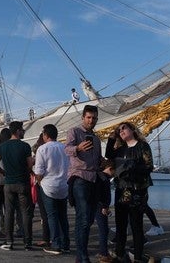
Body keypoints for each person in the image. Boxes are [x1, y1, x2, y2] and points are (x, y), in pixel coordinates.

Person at [106, 122, 154, 263]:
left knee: (136, 224)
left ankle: (138, 256)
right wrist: (112, 137)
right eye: (119, 130)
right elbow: (109, 154)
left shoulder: (142, 146)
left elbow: (149, 166)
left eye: (123, 128)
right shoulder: (121, 149)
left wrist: (132, 167)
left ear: (132, 129)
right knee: (120, 223)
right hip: (122, 189)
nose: (121, 131)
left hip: (137, 190)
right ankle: (119, 253)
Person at [65, 105, 105, 263]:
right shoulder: (74, 131)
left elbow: (97, 160)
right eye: (89, 117)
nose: (91, 120)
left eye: (94, 118)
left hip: (94, 178)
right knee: (83, 217)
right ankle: (83, 256)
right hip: (80, 177)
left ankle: (80, 256)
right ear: (83, 117)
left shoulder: (96, 138)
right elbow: (66, 149)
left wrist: (103, 162)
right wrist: (77, 148)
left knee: (88, 219)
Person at [0, 121, 34, 251]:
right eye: (22, 130)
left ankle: (9, 242)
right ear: (17, 131)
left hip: (9, 184)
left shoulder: (3, 146)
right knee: (25, 213)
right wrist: (25, 171)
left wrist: (4, 172)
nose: (23, 132)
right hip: (22, 183)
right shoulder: (25, 146)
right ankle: (28, 242)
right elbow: (29, 165)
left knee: (9, 212)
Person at [34, 124, 70, 255]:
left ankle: (56, 244)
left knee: (51, 216)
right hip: (64, 186)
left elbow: (39, 171)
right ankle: (66, 243)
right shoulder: (65, 147)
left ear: (45, 135)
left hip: (48, 186)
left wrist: (40, 181)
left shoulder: (42, 149)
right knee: (63, 216)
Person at [31, 133, 50, 248]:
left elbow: (38, 169)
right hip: (57, 184)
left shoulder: (40, 149)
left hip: (42, 183)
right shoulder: (59, 147)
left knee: (44, 213)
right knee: (55, 213)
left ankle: (46, 238)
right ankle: (58, 238)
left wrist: (37, 178)